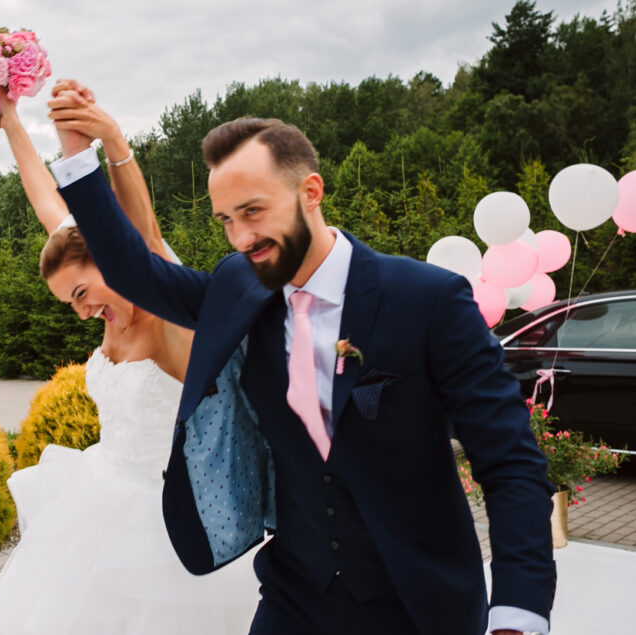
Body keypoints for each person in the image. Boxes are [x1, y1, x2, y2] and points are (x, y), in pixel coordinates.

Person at [48, 88, 557, 634]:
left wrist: (517, 614)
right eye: (225, 220)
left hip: (417, 600)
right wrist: (79, 159)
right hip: (295, 593)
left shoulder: (428, 300)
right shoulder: (238, 288)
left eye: (253, 212)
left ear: (310, 191)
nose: (241, 238)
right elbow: (134, 272)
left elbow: (510, 464)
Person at [0, 85, 259, 634]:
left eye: (81, 294)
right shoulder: (103, 306)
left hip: (167, 520)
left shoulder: (169, 315)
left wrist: (112, 144)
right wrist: (10, 117)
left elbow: (146, 234)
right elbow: (45, 201)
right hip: (102, 494)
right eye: (70, 304)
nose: (82, 313)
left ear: (110, 258)